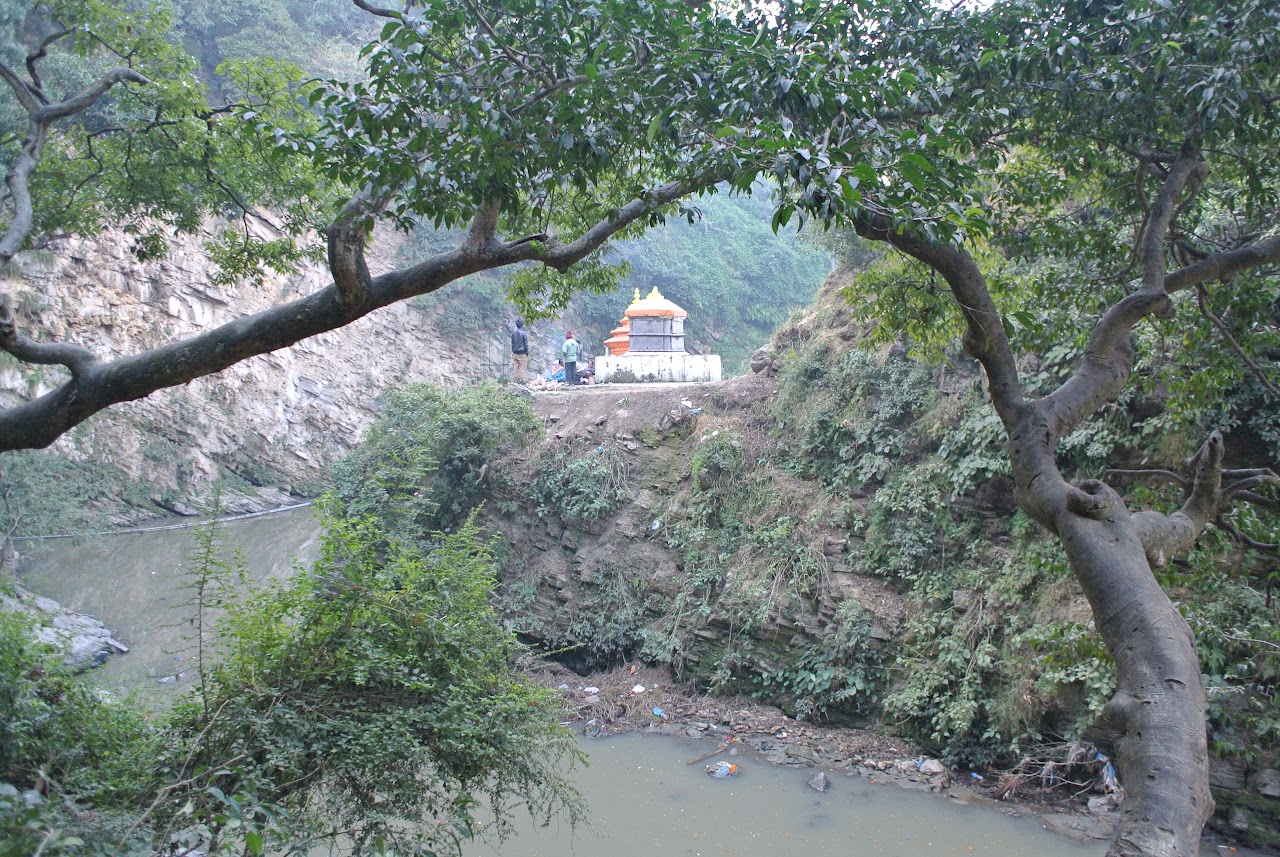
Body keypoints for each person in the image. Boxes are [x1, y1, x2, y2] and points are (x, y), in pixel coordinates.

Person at [510, 318, 529, 384]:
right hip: (522, 353)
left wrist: (513, 351)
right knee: (522, 367)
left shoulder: (513, 334)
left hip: (515, 353)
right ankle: (522, 381)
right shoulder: (524, 333)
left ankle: (516, 381)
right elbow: (526, 344)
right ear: (522, 325)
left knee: (516, 367)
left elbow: (512, 343)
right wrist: (527, 352)